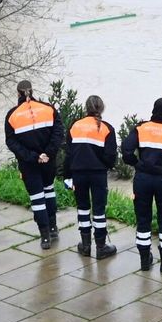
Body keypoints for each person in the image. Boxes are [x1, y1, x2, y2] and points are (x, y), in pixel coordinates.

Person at [121, 98, 162, 273]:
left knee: (143, 219)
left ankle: (144, 259)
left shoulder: (141, 128)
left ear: (153, 110)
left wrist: (136, 163)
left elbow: (126, 150)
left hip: (143, 179)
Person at [4, 80, 62, 249]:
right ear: (32, 90)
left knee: (37, 198)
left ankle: (45, 236)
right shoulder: (48, 109)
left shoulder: (12, 115)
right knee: (49, 191)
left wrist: (32, 157)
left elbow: (11, 142)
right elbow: (58, 133)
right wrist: (47, 154)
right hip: (48, 161)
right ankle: (53, 227)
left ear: (18, 94)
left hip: (29, 164)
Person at [66, 95, 118, 259]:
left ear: (85, 108)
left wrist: (67, 175)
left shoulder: (75, 126)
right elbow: (110, 157)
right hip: (98, 174)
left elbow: (69, 153)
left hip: (78, 172)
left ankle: (86, 245)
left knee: (82, 208)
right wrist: (103, 164)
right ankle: (101, 247)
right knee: (99, 210)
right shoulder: (107, 129)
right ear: (102, 108)